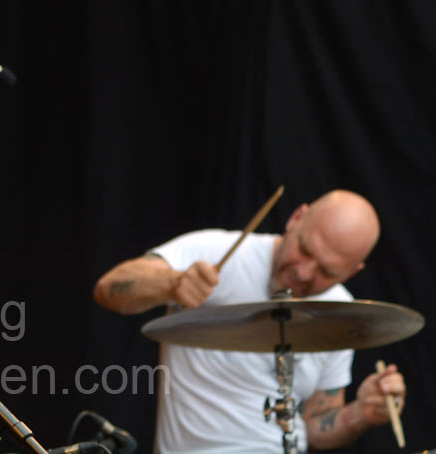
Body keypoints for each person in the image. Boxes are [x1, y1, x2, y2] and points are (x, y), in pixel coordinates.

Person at [93, 190, 406, 453]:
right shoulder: (219, 252)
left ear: (353, 271)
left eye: (328, 272)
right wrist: (172, 283)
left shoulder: (342, 311)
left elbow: (315, 424)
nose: (304, 273)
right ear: (296, 218)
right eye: (305, 249)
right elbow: (110, 288)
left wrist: (360, 414)